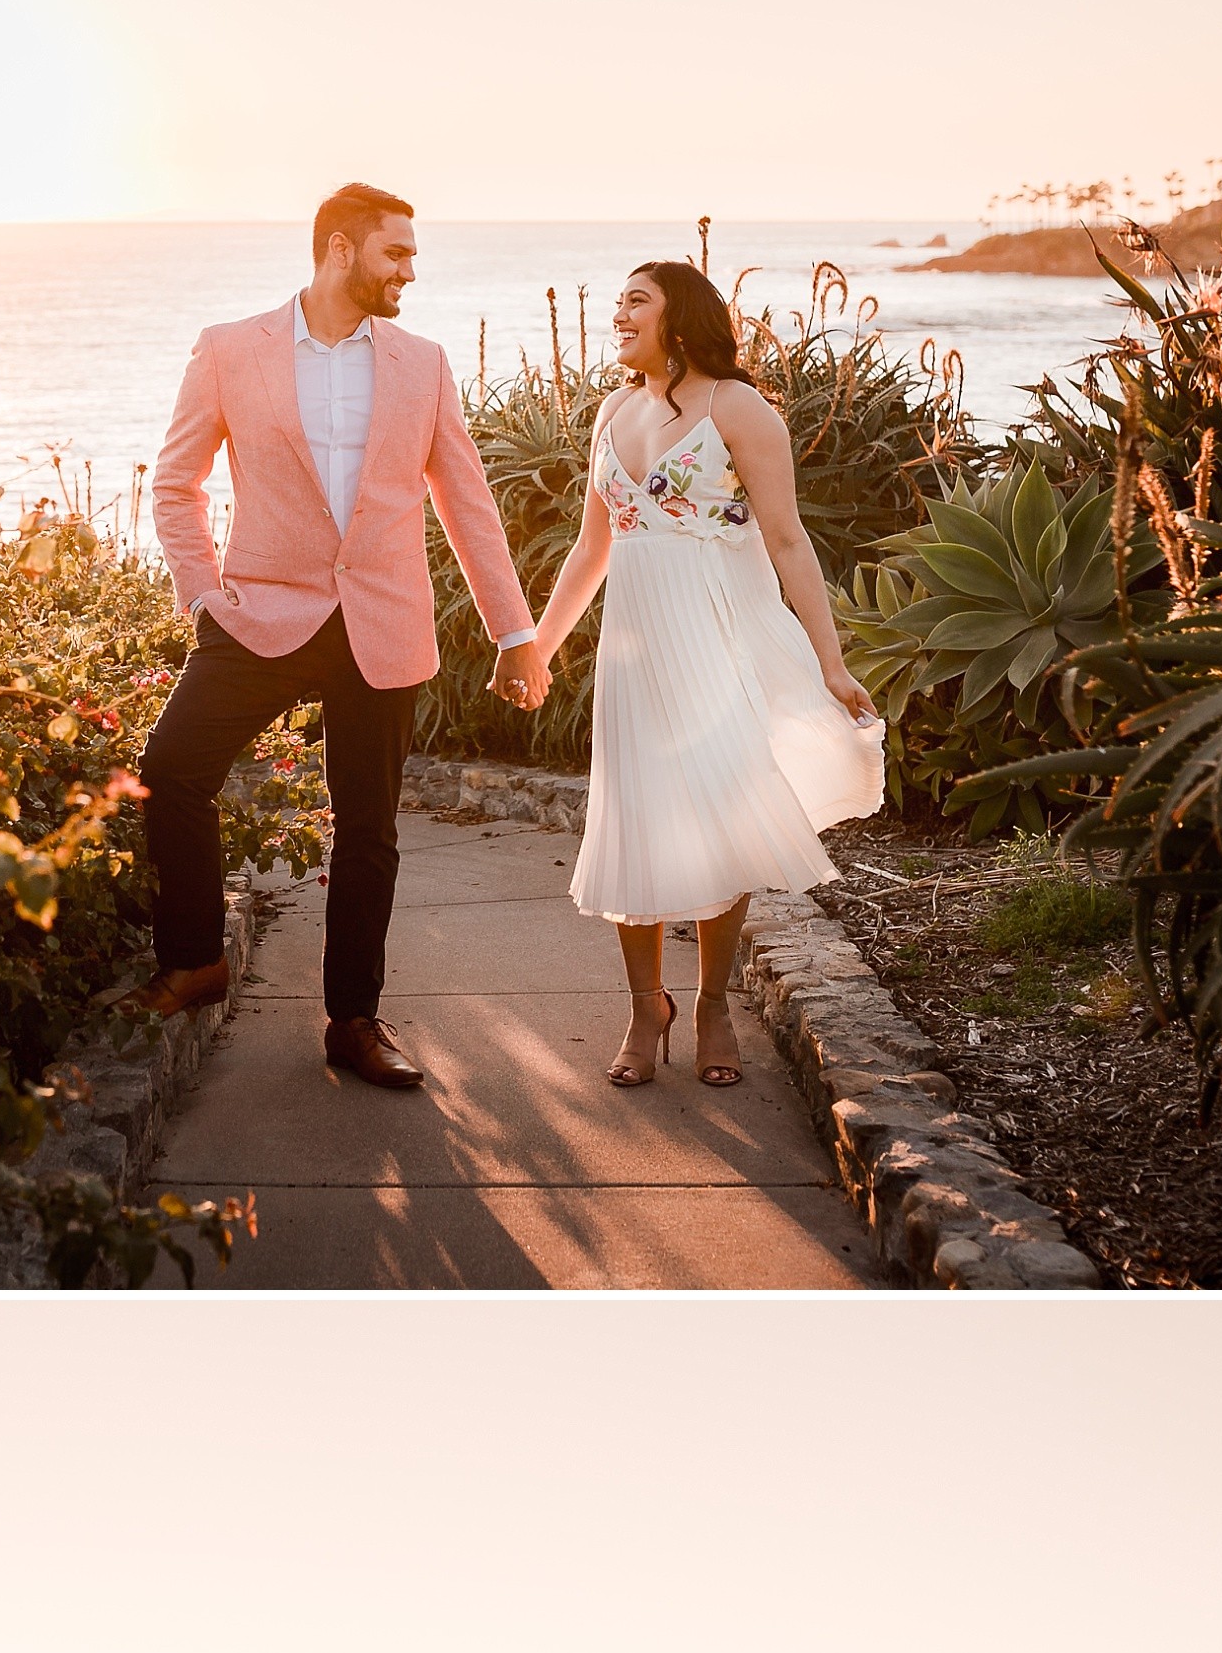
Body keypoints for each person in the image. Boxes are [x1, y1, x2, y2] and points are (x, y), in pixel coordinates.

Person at [129, 182, 540, 1090]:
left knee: (368, 831)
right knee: (172, 769)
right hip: (260, 610)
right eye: (397, 253)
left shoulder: (423, 363)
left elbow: (466, 503)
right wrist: (202, 595)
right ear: (341, 249)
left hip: (381, 621)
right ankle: (195, 959)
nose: (410, 270)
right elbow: (176, 483)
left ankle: (353, 1020)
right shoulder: (233, 349)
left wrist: (515, 631)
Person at [495, 256, 885, 1092]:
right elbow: (593, 549)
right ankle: (646, 1009)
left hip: (714, 639)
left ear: (680, 316)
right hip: (631, 653)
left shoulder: (738, 407)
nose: (618, 314)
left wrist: (830, 661)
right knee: (635, 817)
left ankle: (710, 1005)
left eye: (636, 300)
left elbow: (786, 539)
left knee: (720, 813)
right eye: (617, 302)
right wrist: (540, 644)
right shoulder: (610, 412)